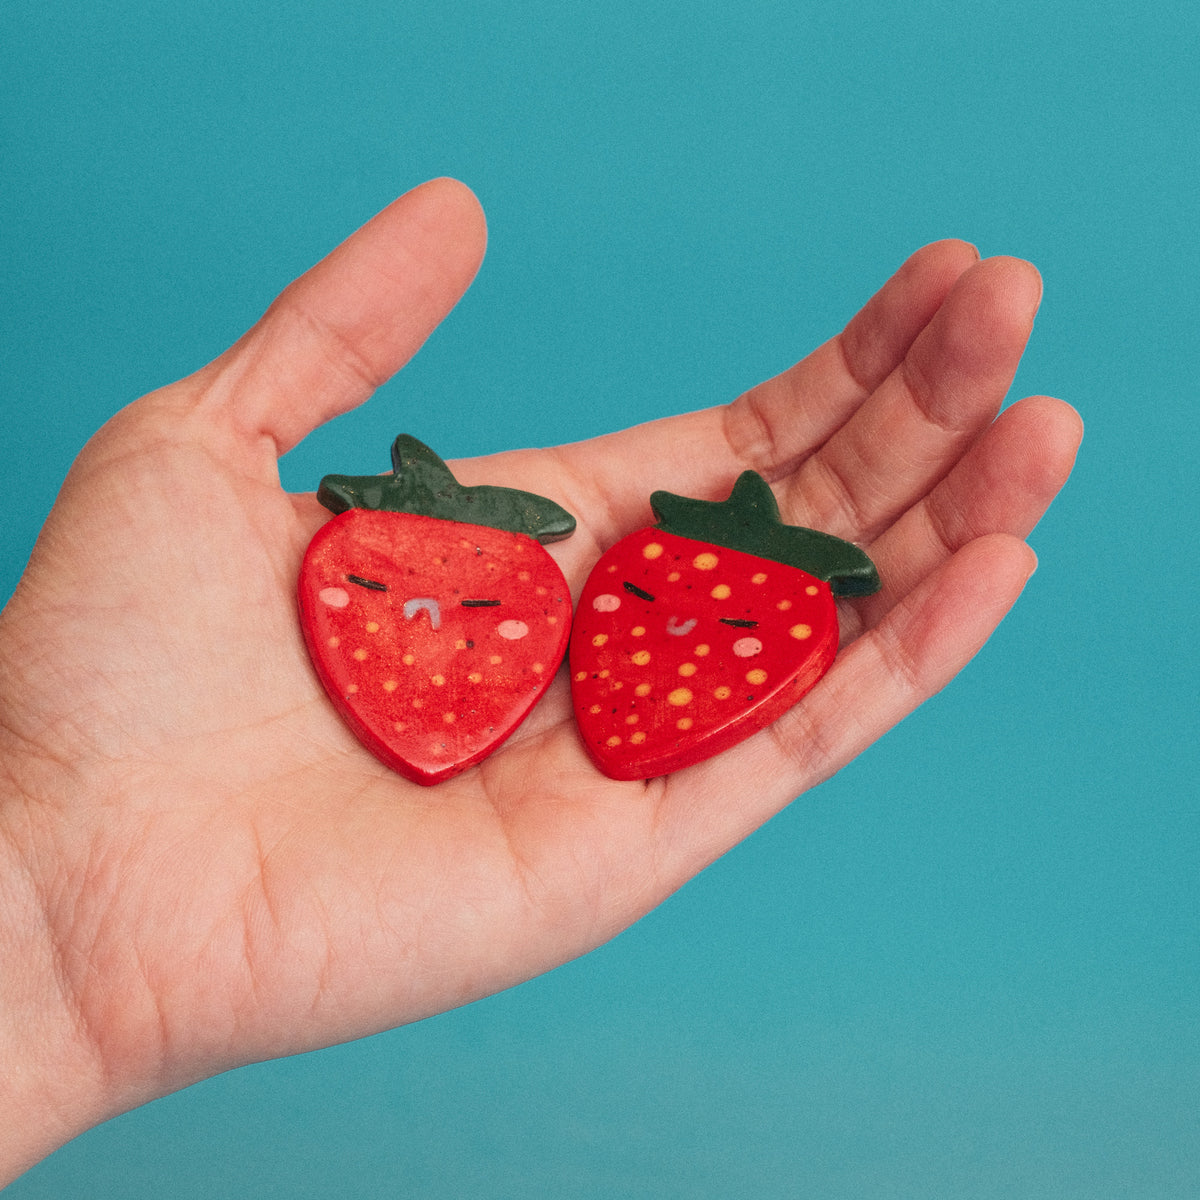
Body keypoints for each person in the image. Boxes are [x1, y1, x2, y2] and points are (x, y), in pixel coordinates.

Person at [0, 177, 1082, 1183]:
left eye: (474, 610)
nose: (433, 624)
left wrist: (51, 933)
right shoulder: (457, 570)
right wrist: (43, 881)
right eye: (657, 603)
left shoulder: (618, 587)